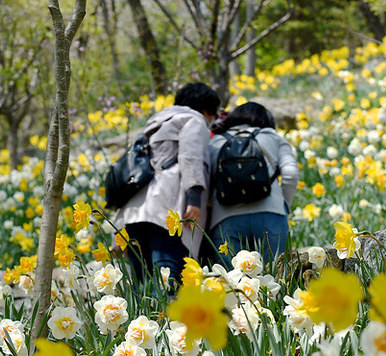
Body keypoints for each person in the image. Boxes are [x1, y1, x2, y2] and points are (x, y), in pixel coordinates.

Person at [114, 82, 220, 285]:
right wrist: (194, 198)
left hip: (135, 213)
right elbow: (190, 157)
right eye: (212, 115)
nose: (212, 121)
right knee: (167, 278)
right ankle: (166, 318)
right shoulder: (194, 120)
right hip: (166, 210)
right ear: (206, 110)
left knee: (141, 284)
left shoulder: (154, 124)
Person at [205, 101, 299, 268]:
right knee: (274, 279)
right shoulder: (272, 136)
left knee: (233, 282)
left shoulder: (215, 142)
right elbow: (290, 174)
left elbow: (205, 181)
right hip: (271, 215)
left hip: (226, 217)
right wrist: (282, 205)